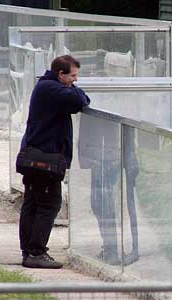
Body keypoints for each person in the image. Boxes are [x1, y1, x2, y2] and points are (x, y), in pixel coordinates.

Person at [19, 55, 90, 269]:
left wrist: (71, 88)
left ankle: (29, 251)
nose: (75, 81)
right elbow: (80, 100)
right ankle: (36, 252)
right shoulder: (51, 89)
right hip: (45, 160)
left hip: (36, 156)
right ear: (61, 74)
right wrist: (75, 91)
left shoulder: (47, 87)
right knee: (49, 204)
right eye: (73, 76)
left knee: (32, 203)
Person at [78, 118, 139, 266]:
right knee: (99, 202)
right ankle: (110, 248)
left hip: (109, 154)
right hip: (103, 153)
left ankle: (113, 250)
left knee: (103, 201)